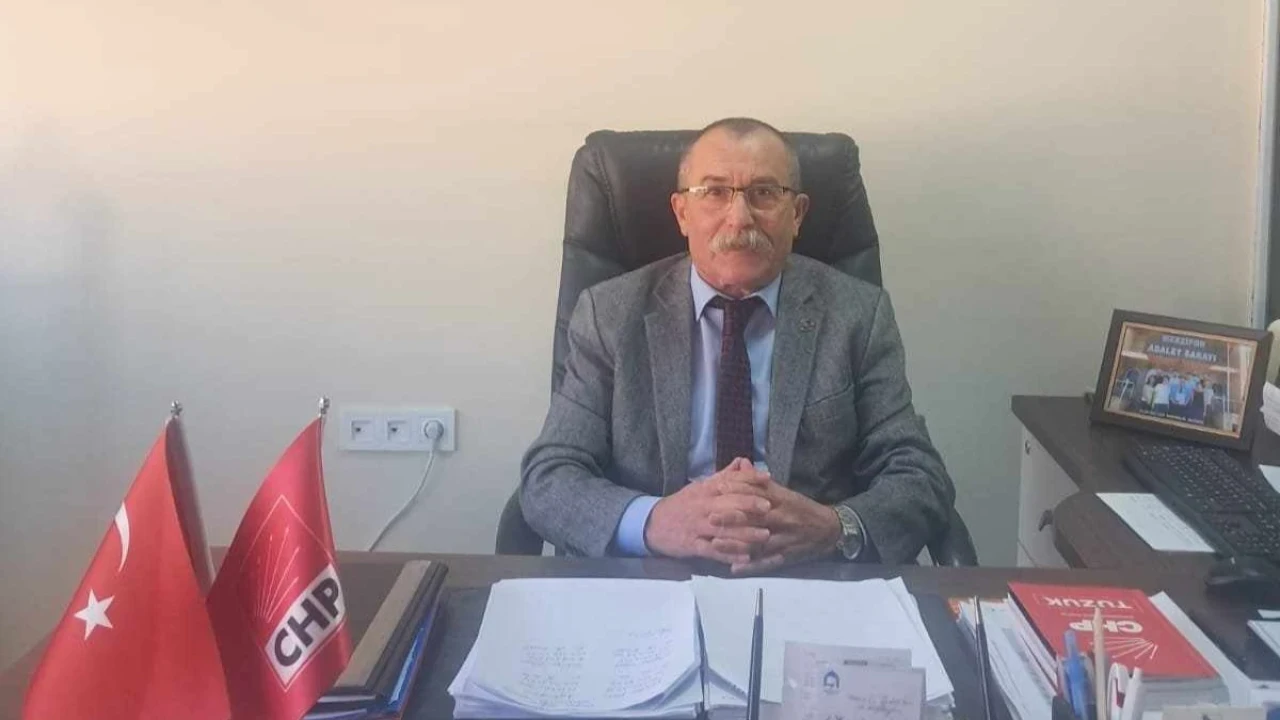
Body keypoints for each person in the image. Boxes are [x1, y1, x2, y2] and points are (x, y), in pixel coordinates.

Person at [520, 117, 956, 571]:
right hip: (655, 569)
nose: (740, 217)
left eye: (765, 193)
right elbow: (549, 476)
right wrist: (652, 522)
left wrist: (835, 527)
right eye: (714, 192)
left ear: (798, 214)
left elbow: (919, 475)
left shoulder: (857, 315)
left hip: (810, 569)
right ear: (682, 213)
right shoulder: (609, 315)